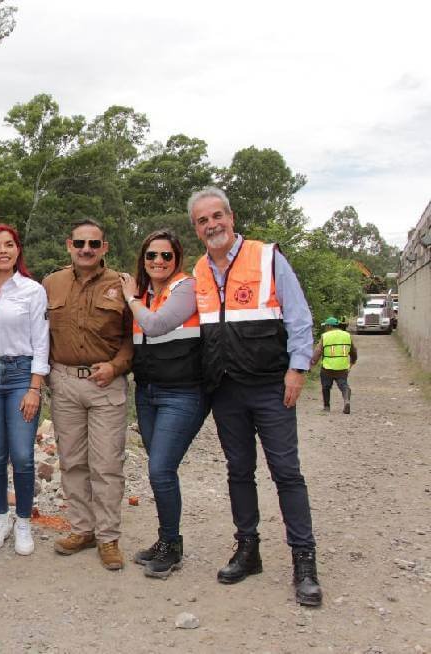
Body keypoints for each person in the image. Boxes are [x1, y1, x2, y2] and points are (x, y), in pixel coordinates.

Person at [188, 186, 323, 607]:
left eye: (217, 216)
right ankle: (248, 550)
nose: (212, 225)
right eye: (202, 220)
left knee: (286, 472)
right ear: (196, 229)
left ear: (231, 216)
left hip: (270, 387)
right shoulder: (198, 270)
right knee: (238, 471)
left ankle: (304, 562)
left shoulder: (267, 257)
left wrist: (298, 369)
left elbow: (299, 317)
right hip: (226, 390)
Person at [43, 219, 133, 571]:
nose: (86, 250)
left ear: (104, 248)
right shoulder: (51, 283)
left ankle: (108, 537)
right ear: (69, 244)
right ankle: (83, 529)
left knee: (107, 465)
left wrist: (117, 366)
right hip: (64, 383)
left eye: (94, 244)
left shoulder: (122, 285)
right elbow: (40, 332)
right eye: (80, 243)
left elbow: (132, 336)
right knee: (73, 462)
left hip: (106, 383)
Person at [118, 230, 207, 579]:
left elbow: (155, 326)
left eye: (165, 256)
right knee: (161, 471)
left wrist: (129, 298)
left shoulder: (185, 287)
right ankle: (167, 539)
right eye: (151, 255)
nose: (158, 261)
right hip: (149, 392)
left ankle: (171, 545)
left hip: (183, 393)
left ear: (177, 258)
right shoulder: (145, 295)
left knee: (160, 469)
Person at [0, 224, 49, 556]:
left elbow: (41, 342)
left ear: (18, 249)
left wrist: (35, 388)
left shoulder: (32, 290)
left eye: (9, 245)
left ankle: (23, 520)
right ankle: (0, 517)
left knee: (22, 455)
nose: (2, 251)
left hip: (21, 375)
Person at [311, 317, 356, 414]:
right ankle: (346, 401)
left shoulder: (325, 336)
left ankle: (327, 407)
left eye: (326, 326)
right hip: (342, 367)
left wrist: (313, 363)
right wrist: (353, 361)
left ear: (329, 326)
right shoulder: (347, 335)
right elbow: (353, 350)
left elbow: (318, 351)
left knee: (326, 387)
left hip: (327, 367)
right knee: (344, 385)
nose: (325, 328)